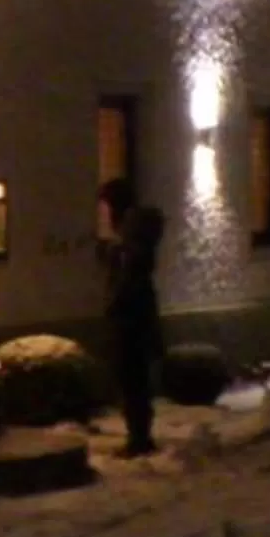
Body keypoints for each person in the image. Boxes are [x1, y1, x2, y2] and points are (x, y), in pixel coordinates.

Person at [98, 177, 167, 456]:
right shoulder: (131, 239)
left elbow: (128, 279)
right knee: (132, 379)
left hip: (131, 320)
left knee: (132, 379)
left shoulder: (131, 241)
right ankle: (138, 435)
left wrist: (115, 303)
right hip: (133, 317)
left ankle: (139, 437)